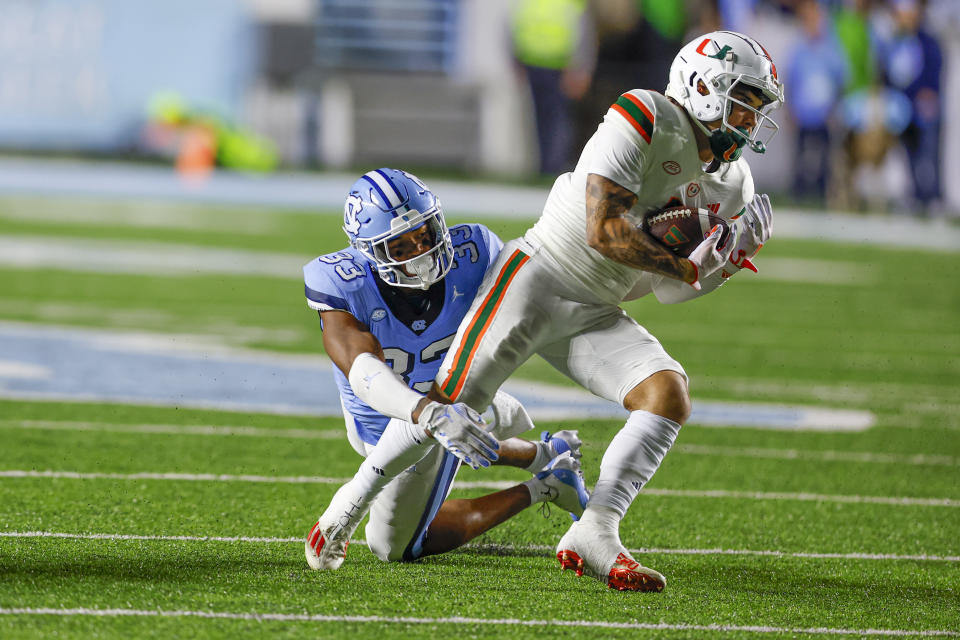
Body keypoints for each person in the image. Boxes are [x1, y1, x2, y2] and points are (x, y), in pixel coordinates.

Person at [429, 31, 782, 592]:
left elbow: (670, 293)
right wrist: (692, 264)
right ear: (703, 87)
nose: (751, 118)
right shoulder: (645, 115)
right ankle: (356, 500)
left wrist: (725, 262)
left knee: (667, 394)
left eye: (758, 107)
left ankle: (596, 529)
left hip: (597, 308)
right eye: (744, 100)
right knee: (440, 423)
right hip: (537, 281)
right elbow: (604, 231)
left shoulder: (733, 181)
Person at [302, 168, 589, 570]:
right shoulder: (340, 281)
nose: (421, 251)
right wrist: (427, 413)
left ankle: (546, 488)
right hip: (380, 418)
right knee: (426, 427)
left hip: (457, 399)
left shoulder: (475, 253)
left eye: (425, 233)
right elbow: (363, 370)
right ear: (369, 251)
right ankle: (545, 455)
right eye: (400, 247)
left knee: (393, 546)